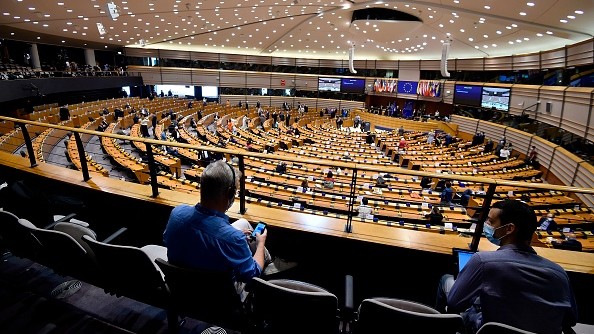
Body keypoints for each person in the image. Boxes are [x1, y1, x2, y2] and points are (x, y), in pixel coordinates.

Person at [435, 200, 577, 334]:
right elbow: (571, 319)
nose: (486, 224)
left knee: (446, 280)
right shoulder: (559, 273)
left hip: (488, 330)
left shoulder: (483, 261)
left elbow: (455, 302)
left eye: (490, 221)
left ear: (509, 228)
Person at [163, 161, 295, 300]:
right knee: (256, 253)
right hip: (217, 298)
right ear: (230, 192)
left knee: (243, 223)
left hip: (182, 288)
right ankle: (268, 265)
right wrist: (261, 243)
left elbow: (171, 239)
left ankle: (268, 261)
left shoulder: (177, 214)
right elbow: (252, 275)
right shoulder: (233, 239)